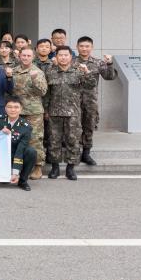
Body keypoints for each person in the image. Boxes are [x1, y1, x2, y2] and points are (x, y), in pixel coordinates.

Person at [44, 46, 96, 180]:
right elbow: (46, 94)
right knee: (54, 141)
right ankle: (55, 168)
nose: (63, 57)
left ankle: (70, 168)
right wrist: (45, 110)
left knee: (73, 141)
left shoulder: (78, 71)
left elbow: (91, 85)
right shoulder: (50, 71)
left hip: (73, 113)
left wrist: (87, 73)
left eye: (66, 55)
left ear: (70, 57)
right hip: (54, 113)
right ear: (56, 56)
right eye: (60, 55)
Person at [74, 36, 117, 165]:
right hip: (73, 100)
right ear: (77, 47)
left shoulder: (98, 62)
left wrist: (109, 63)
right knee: (74, 127)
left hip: (90, 100)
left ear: (91, 48)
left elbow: (109, 77)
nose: (84, 49)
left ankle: (86, 153)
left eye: (87, 46)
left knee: (89, 126)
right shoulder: (71, 62)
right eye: (81, 46)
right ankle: (74, 154)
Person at [12, 47, 48, 179]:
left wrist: (35, 80)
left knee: (35, 139)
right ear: (19, 56)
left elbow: (43, 92)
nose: (26, 58)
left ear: (33, 57)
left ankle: (38, 167)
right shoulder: (14, 71)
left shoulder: (37, 72)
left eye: (28, 55)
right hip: (17, 111)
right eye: (23, 55)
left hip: (33, 112)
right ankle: (19, 166)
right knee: (17, 139)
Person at [0, 96, 37, 191]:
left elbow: (20, 149)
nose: (13, 110)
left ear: (21, 109)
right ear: (5, 108)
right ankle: (3, 175)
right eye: (9, 107)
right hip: (0, 154)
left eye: (16, 107)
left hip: (16, 154)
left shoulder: (26, 126)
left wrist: (15, 172)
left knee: (31, 152)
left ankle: (22, 181)